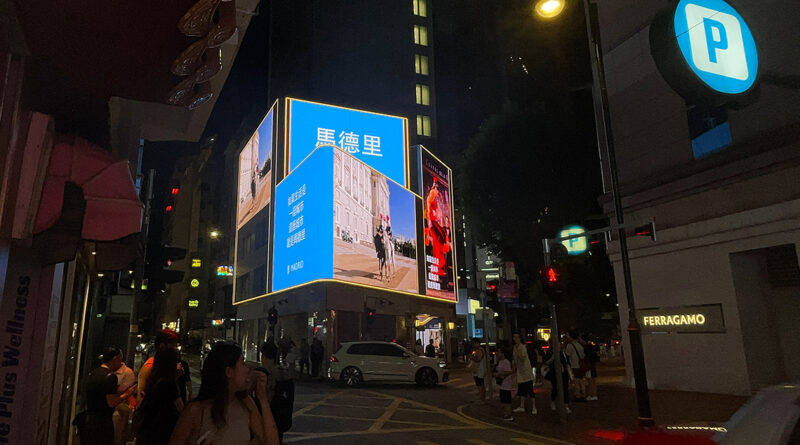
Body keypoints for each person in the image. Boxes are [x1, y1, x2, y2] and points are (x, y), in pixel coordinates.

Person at [169, 342, 279, 445]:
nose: (248, 369)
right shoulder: (197, 410)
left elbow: (271, 442)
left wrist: (263, 398)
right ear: (229, 372)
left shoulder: (246, 402)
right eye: (243, 363)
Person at [80, 347, 137, 445]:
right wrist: (127, 394)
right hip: (103, 422)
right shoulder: (110, 377)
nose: (120, 362)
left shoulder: (94, 373)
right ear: (115, 359)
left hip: (88, 420)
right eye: (119, 359)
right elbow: (111, 402)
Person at [135, 349, 184, 445]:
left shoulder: (152, 379)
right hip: (162, 431)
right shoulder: (168, 384)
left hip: (147, 430)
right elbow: (180, 408)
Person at [256, 341, 294, 444]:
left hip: (263, 422)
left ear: (263, 356)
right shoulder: (286, 378)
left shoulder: (260, 375)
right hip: (279, 423)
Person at [138, 329, 179, 405]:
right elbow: (140, 398)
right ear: (162, 346)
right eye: (173, 345)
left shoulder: (167, 367)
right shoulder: (150, 367)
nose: (175, 348)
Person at [543, 340, 572, 414]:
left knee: (565, 389)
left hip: (563, 374)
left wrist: (570, 375)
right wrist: (553, 357)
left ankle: (566, 406)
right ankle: (553, 401)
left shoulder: (563, 353)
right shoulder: (549, 353)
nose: (559, 346)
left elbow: (566, 364)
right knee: (555, 388)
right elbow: (546, 362)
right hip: (554, 373)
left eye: (560, 345)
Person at [112, 358, 136, 445]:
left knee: (118, 434)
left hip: (120, 406)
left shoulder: (127, 373)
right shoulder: (108, 371)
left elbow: (126, 391)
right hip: (112, 406)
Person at [512, 333, 536, 414]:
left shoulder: (522, 347)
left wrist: (517, 351)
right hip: (520, 371)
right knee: (521, 389)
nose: (515, 339)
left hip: (526, 371)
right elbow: (515, 359)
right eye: (514, 337)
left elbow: (522, 357)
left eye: (517, 337)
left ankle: (534, 407)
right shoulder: (515, 348)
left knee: (530, 390)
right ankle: (522, 406)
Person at [493, 348, 515, 421]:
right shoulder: (500, 362)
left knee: (507, 400)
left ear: (502, 354)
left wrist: (499, 374)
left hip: (506, 384)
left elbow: (509, 372)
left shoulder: (506, 362)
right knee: (503, 399)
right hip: (502, 385)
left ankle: (508, 414)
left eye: (499, 352)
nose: (497, 353)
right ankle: (505, 413)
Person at [565, 330, 587, 401]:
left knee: (576, 381)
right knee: (581, 380)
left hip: (575, 365)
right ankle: (583, 394)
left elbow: (567, 355)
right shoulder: (579, 344)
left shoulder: (570, 345)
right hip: (582, 365)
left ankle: (577, 395)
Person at [580, 334, 600, 401]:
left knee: (590, 380)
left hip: (589, 365)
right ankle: (594, 394)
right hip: (593, 364)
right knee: (594, 380)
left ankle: (591, 394)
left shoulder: (585, 347)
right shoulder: (592, 346)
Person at [468, 338, 488, 404]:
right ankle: (481, 398)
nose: (472, 344)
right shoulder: (477, 350)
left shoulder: (480, 350)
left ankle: (482, 399)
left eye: (473, 343)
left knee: (481, 385)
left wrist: (472, 357)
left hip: (480, 370)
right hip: (477, 371)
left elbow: (478, 359)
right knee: (479, 385)